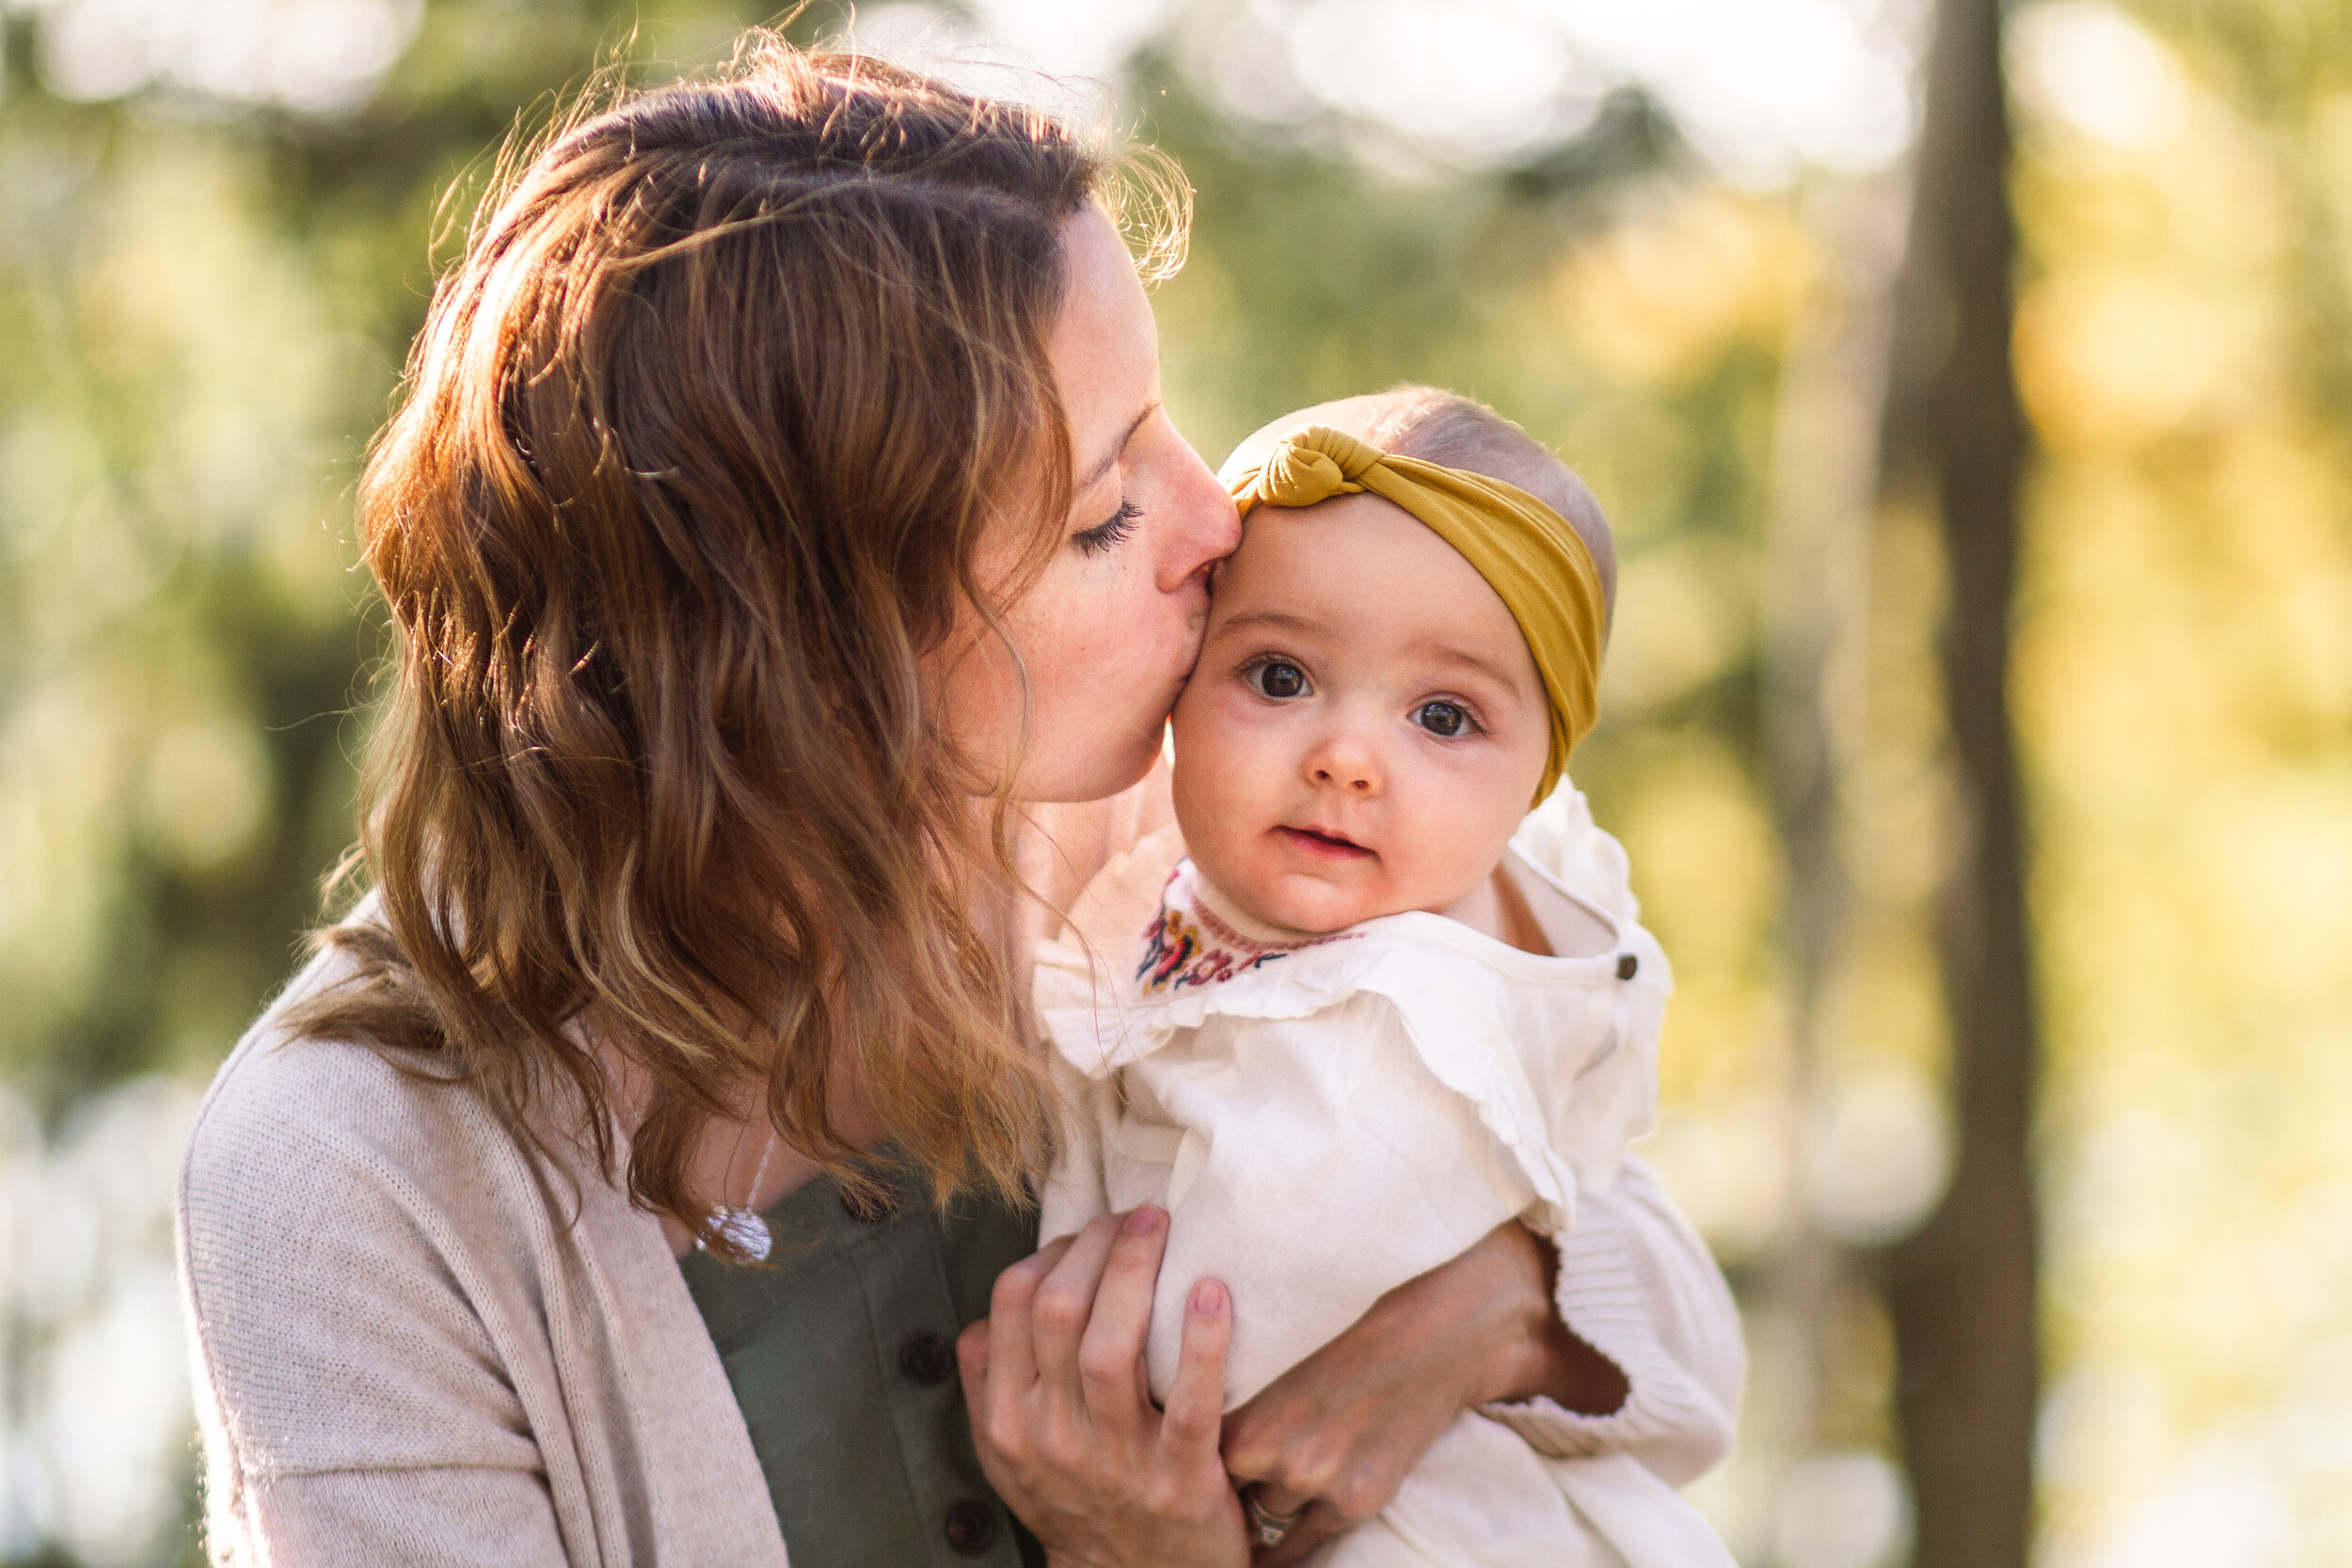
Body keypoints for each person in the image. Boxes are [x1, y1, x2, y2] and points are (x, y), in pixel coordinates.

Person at [172, 35, 1741, 1568]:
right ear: (811, 670)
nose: (1222, 520)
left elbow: (1663, 1312)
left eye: (1167, 428)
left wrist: (1496, 1307)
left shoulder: (1167, 846)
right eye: (1104, 511)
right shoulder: (350, 1187)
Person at [1032, 391, 1739, 1566]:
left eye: (1444, 714)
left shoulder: (1407, 1013)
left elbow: (1215, 1338)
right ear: (1180, 685)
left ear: (1536, 782)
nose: (1347, 758)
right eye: (1278, 677)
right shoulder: (1190, 897)